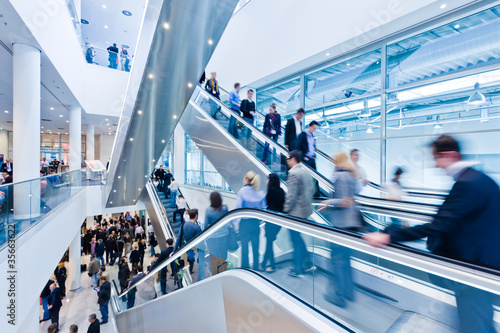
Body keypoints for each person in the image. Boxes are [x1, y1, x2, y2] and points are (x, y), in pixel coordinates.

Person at [363, 135, 500, 332]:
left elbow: (438, 226)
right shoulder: (482, 179)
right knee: (479, 319)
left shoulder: (467, 184)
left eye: (437, 158)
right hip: (484, 264)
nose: (436, 165)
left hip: (473, 268)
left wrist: (389, 236)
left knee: (475, 323)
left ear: (450, 155)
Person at [321, 152, 361, 308]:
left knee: (337, 260)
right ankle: (349, 293)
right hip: (351, 224)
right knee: (345, 260)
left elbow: (346, 201)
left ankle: (339, 296)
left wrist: (329, 202)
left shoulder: (341, 176)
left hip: (341, 224)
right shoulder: (352, 174)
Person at [283, 151, 315, 277]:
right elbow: (312, 189)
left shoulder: (293, 173)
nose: (287, 161)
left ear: (293, 159)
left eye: (288, 159)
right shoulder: (306, 171)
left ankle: (298, 268)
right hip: (305, 211)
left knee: (295, 239)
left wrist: (285, 209)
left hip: (295, 213)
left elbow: (291, 195)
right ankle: (307, 263)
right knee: (298, 238)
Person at [235, 171, 266, 270]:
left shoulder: (242, 192)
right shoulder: (260, 193)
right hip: (255, 223)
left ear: (246, 179)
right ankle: (256, 268)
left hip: (244, 224)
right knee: (255, 248)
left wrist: (236, 226)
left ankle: (245, 269)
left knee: (245, 249)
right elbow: (264, 209)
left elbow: (238, 209)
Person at [261, 174, 285, 272]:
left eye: (268, 179)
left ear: (270, 180)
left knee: (269, 244)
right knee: (269, 242)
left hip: (271, 221)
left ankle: (272, 266)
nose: (266, 181)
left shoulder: (271, 191)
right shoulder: (281, 191)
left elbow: (266, 203)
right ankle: (263, 264)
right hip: (279, 222)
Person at [204, 191, 229, 274]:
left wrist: (205, 239)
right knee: (223, 258)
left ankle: (215, 276)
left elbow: (205, 226)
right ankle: (224, 273)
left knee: (214, 259)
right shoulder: (225, 208)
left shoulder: (208, 210)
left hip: (213, 239)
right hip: (224, 237)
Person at [174, 209, 202, 277]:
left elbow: (178, 239)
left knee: (190, 260)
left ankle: (190, 271)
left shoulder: (183, 224)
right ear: (196, 216)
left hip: (187, 246)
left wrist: (174, 251)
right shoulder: (197, 227)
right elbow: (200, 242)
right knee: (197, 262)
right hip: (195, 249)